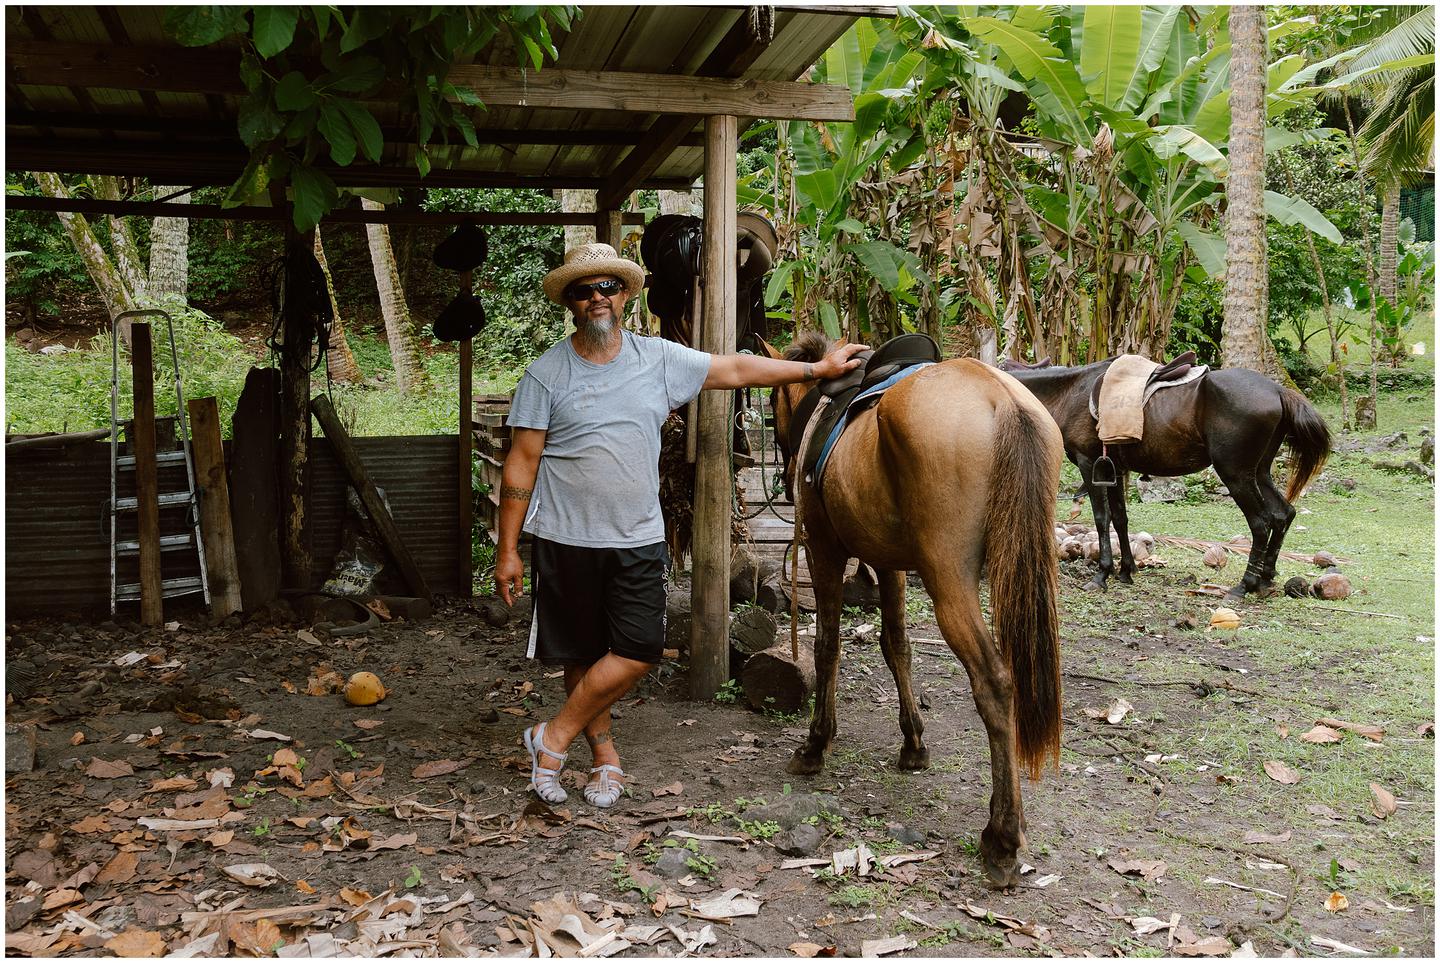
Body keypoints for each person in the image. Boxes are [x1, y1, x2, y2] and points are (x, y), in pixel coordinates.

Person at [495, 241, 866, 808]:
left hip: (638, 537)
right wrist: (508, 548)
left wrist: (814, 368)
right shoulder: (545, 375)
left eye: (608, 287)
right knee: (580, 655)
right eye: (584, 290)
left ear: (624, 297)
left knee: (639, 648)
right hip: (566, 538)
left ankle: (552, 738)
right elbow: (521, 463)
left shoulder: (658, 359)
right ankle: (605, 758)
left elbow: (737, 367)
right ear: (570, 302)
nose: (598, 297)